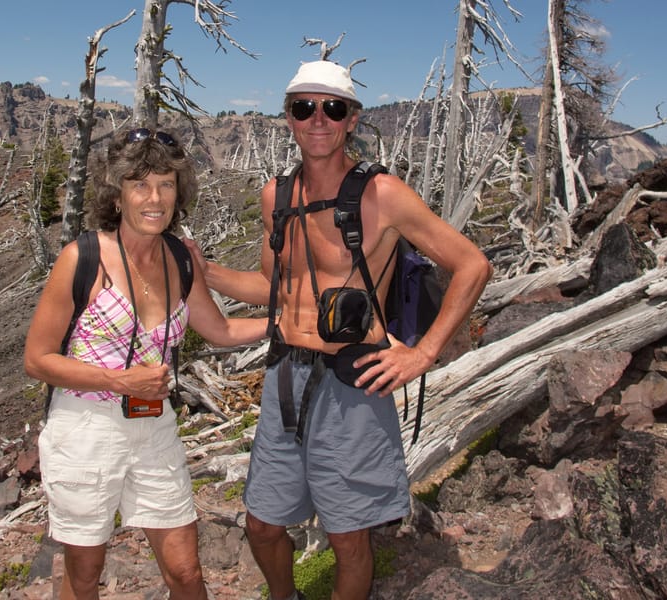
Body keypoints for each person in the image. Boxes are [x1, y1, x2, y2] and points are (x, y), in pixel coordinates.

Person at [189, 60, 493, 600]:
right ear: (288, 118)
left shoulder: (385, 196)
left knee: (349, 538)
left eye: (332, 108)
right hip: (285, 377)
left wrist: (423, 355)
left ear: (352, 119)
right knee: (262, 523)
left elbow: (472, 265)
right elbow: (276, 289)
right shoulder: (275, 198)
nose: (318, 120)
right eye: (304, 108)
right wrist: (204, 270)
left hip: (352, 383)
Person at [24, 127, 267, 600]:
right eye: (140, 184)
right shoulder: (83, 259)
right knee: (84, 573)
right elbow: (37, 359)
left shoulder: (178, 256)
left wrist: (285, 325)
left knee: (185, 572)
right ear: (117, 195)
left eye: (167, 184)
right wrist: (120, 379)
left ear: (180, 192)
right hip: (85, 428)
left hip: (154, 425)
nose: (155, 197)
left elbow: (219, 331)